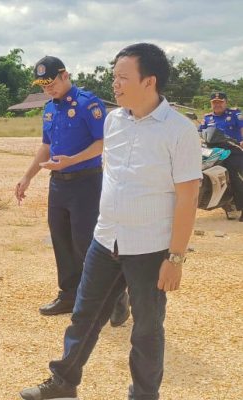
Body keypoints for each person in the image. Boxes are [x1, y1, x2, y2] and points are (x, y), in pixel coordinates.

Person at [20, 43, 202, 400]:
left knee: (147, 330)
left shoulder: (179, 131)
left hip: (150, 248)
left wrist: (175, 258)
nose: (114, 84)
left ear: (149, 81)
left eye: (122, 78)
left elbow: (188, 197)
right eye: (113, 76)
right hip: (106, 241)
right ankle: (64, 382)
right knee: (84, 316)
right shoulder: (114, 120)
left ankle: (144, 395)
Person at [15, 56, 129, 327]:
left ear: (65, 75)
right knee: (62, 240)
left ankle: (116, 297)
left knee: (87, 244)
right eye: (43, 86)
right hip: (59, 183)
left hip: (86, 183)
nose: (48, 89)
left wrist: (72, 160)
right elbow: (46, 146)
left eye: (51, 83)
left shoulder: (88, 103)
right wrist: (27, 176)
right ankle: (69, 295)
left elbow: (102, 142)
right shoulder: (50, 109)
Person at [199, 91, 243, 221]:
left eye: (220, 102)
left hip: (231, 149)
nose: (217, 105)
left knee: (236, 176)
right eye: (214, 103)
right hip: (212, 150)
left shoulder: (235, 114)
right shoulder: (207, 118)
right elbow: (199, 132)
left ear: (225, 102)